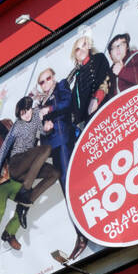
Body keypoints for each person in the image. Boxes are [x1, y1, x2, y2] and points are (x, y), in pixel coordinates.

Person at [0, 96, 61, 274]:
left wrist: (47, 129)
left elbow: (40, 128)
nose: (26, 115)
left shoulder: (9, 123)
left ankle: (10, 230)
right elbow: (1, 153)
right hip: (4, 177)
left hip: (21, 172)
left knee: (55, 173)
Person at [31, 67, 88, 261]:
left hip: (64, 140)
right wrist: (44, 124)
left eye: (48, 78)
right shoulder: (40, 102)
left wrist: (49, 109)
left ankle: (83, 234)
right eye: (42, 81)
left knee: (69, 183)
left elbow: (67, 103)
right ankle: (80, 234)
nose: (46, 83)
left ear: (54, 78)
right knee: (65, 187)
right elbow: (37, 127)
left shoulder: (62, 86)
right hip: (51, 145)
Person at [67, 34, 113, 122]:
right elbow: (75, 103)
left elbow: (106, 77)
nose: (81, 50)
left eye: (83, 45)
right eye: (77, 49)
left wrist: (97, 97)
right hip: (91, 118)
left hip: (105, 105)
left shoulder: (99, 58)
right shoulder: (77, 75)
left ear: (88, 46)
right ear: (75, 55)